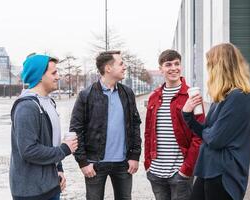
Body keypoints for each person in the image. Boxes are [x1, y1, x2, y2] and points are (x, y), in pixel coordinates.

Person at [182, 43, 250, 200]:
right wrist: (188, 115)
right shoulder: (222, 97)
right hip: (210, 168)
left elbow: (215, 139)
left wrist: (210, 132)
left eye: (210, 65)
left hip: (224, 173)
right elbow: (207, 133)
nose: (209, 70)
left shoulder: (238, 96)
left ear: (220, 67)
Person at [70, 50, 142, 200]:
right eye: (121, 63)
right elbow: (76, 131)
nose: (124, 67)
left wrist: (134, 155)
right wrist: (83, 162)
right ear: (108, 68)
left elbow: (135, 125)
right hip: (94, 164)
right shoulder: (86, 95)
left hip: (123, 163)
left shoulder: (127, 93)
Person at [10, 54, 78, 200]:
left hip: (51, 186)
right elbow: (29, 150)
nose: (58, 77)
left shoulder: (49, 103)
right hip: (31, 192)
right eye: (54, 73)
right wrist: (64, 150)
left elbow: (50, 142)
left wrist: (58, 169)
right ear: (40, 76)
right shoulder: (26, 107)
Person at [144, 49, 204, 200]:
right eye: (168, 64)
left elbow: (199, 135)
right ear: (161, 69)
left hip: (180, 174)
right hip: (156, 173)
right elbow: (148, 133)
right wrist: (148, 164)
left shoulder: (192, 95)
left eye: (177, 64)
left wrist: (187, 169)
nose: (173, 68)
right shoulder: (154, 97)